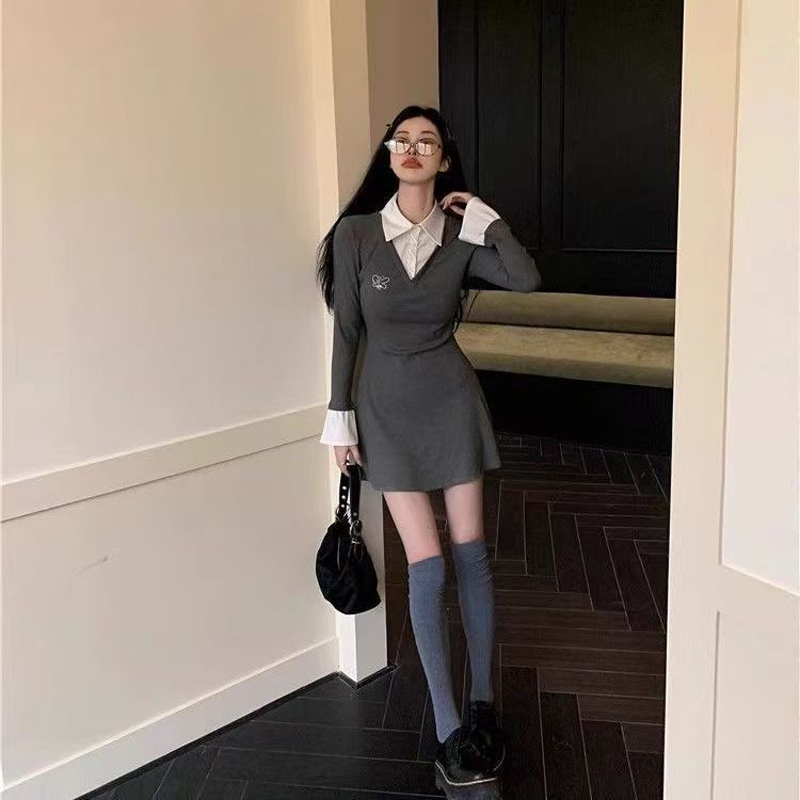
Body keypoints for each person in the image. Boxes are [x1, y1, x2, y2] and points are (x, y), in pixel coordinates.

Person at [316, 105, 541, 791]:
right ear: (390, 154)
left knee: (472, 557)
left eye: (427, 142)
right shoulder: (356, 234)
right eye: (402, 140)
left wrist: (488, 220)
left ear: (444, 160)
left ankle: (482, 708)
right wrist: (339, 420)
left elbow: (526, 278)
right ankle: (448, 733)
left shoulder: (462, 238)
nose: (412, 149)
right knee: (428, 566)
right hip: (385, 411)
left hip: (452, 404)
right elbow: (347, 332)